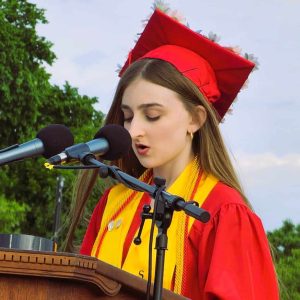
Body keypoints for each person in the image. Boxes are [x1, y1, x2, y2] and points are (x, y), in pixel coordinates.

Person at [67, 7, 279, 300]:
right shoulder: (114, 203)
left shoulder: (222, 212)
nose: (133, 131)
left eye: (152, 115)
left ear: (196, 119)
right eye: (128, 117)